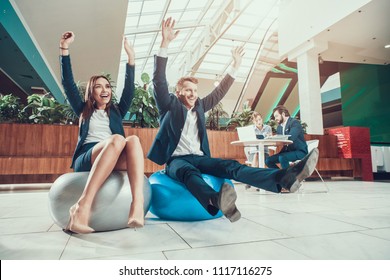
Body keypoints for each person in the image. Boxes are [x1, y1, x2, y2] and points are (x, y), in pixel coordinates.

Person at [147, 18, 319, 223]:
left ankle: (284, 178)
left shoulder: (200, 106)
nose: (193, 94)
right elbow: (158, 80)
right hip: (177, 161)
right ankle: (215, 200)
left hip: (200, 157)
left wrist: (236, 66)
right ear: (179, 92)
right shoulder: (169, 106)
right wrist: (165, 44)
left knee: (231, 167)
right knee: (188, 172)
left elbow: (219, 92)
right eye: (188, 90)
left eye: (195, 90)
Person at [59, 31, 145, 233]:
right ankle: (82, 207)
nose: (104, 89)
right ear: (91, 91)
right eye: (98, 86)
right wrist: (64, 48)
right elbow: (68, 83)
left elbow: (129, 91)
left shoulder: (116, 111)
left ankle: (137, 205)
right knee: (117, 139)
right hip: (87, 157)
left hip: (112, 155)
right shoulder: (82, 109)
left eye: (107, 86)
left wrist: (131, 58)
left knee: (132, 140)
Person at [265, 105, 308, 170]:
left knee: (282, 157)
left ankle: (288, 178)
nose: (275, 119)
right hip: (287, 152)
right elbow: (279, 141)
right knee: (268, 160)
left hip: (299, 151)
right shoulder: (279, 127)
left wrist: (277, 138)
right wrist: (271, 138)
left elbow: (291, 138)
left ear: (283, 114)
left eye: (276, 116)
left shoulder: (294, 123)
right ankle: (280, 175)